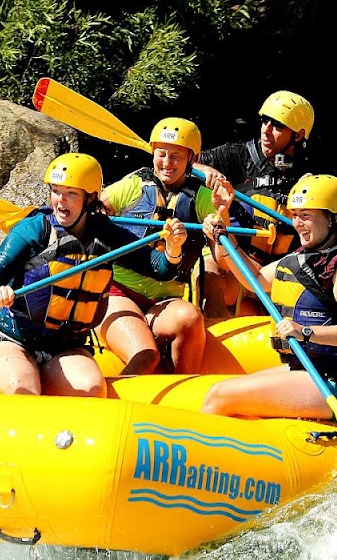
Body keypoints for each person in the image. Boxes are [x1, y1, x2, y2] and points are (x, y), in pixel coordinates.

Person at [0, 153, 188, 396]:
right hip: (13, 339)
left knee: (91, 388)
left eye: (71, 193)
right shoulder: (35, 229)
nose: (60, 201)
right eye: (56, 191)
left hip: (65, 348)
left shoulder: (106, 235)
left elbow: (158, 268)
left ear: (90, 198)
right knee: (23, 389)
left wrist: (173, 249)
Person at [200, 174, 337, 419]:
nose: (298, 223)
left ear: (334, 217)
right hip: (303, 371)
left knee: (220, 395)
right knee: (214, 392)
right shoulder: (302, 257)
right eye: (295, 215)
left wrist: (305, 332)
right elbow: (257, 280)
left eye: (306, 216)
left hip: (334, 383)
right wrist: (224, 234)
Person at [98, 118, 235, 374]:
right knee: (146, 356)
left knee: (191, 318)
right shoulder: (133, 186)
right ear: (153, 154)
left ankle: (186, 388)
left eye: (176, 156)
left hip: (164, 299)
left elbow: (225, 260)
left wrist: (223, 214)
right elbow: (92, 215)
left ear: (191, 159)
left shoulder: (203, 198)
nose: (167, 163)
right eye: (161, 154)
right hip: (120, 293)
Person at [196, 91, 315, 317]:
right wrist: (207, 170)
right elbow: (187, 160)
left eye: (278, 125)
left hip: (274, 277)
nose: (266, 130)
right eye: (265, 121)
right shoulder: (237, 155)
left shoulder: (305, 172)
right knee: (210, 269)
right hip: (231, 267)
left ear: (298, 136)